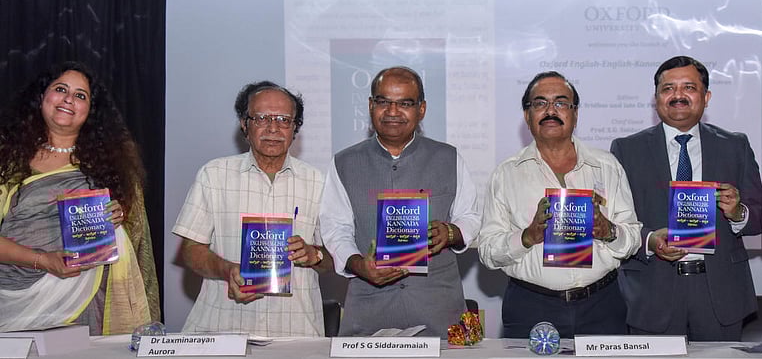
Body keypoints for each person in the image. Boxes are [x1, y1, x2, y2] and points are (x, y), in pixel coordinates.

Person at [0, 61, 159, 334]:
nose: (68, 99)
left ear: (90, 110)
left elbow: (135, 240)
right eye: (60, 89)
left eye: (80, 95)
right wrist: (42, 260)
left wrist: (120, 219)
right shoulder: (7, 157)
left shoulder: (114, 169)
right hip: (13, 299)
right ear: (42, 97)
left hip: (87, 300)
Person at [478, 71, 641, 338]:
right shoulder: (506, 174)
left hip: (602, 304)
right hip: (531, 307)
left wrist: (609, 231)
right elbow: (487, 251)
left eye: (561, 103)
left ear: (575, 114)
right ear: (527, 116)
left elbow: (632, 236)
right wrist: (527, 237)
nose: (550, 111)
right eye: (540, 103)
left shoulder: (607, 166)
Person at [320, 66, 480, 338]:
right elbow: (336, 228)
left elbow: (471, 216)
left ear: (422, 109)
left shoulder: (449, 158)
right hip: (369, 313)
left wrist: (451, 232)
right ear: (371, 106)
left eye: (405, 103)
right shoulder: (344, 162)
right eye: (383, 101)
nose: (393, 111)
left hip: (440, 314)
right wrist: (358, 264)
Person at [610, 56, 762, 341]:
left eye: (688, 87)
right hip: (653, 293)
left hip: (721, 294)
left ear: (706, 97)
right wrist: (650, 240)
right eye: (668, 88)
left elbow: (759, 217)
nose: (678, 95)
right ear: (655, 99)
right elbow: (616, 222)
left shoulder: (735, 146)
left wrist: (738, 212)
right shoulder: (626, 150)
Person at [172, 81, 333, 337]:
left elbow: (335, 259)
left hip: (295, 334)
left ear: (295, 128)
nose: (273, 128)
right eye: (261, 118)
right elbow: (191, 252)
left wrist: (315, 255)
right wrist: (226, 270)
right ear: (244, 124)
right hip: (222, 328)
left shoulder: (319, 182)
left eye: (283, 119)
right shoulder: (213, 175)